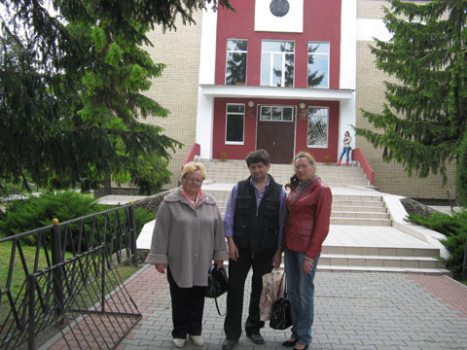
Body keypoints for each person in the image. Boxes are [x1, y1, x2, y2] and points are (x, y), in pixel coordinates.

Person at [145, 161, 228, 349]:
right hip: (178, 260)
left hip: (203, 262)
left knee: (197, 298)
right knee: (180, 298)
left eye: (198, 180)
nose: (194, 183)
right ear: (183, 179)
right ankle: (180, 332)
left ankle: (195, 331)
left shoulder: (210, 202)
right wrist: (159, 258)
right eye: (190, 179)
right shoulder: (170, 202)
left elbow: (218, 230)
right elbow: (161, 232)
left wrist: (219, 256)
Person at [222, 149, 287, 350]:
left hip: (266, 249)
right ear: (249, 168)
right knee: (235, 290)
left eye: (260, 166)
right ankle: (232, 334)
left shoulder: (279, 192)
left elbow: (282, 223)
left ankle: (253, 328)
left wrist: (279, 251)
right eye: (253, 167)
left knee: (260, 292)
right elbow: (229, 216)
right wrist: (230, 242)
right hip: (239, 248)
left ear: (267, 167)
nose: (256, 170)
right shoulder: (238, 188)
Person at [282, 152, 332, 350]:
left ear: (313, 167)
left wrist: (311, 255)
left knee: (304, 294)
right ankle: (296, 332)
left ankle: (304, 337)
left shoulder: (322, 190)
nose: (300, 170)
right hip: (291, 247)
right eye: (297, 167)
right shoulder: (297, 187)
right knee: (293, 293)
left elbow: (322, 227)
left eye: (304, 166)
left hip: (306, 251)